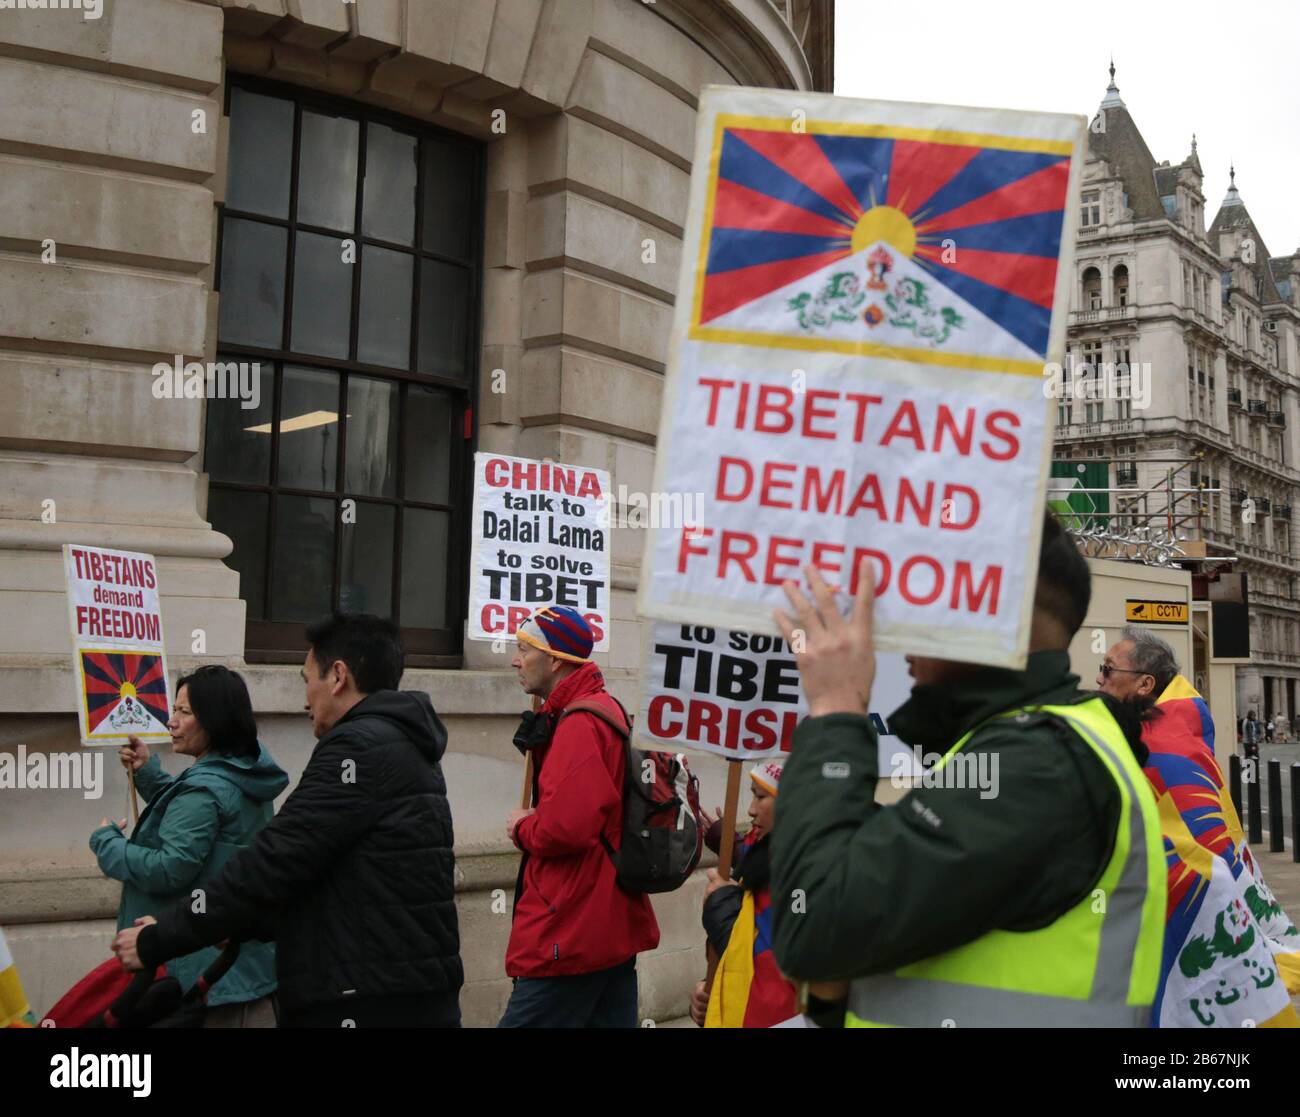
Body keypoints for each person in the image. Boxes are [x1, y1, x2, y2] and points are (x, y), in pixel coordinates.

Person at [770, 510, 1166, 1027]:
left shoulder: (1035, 766)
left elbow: (814, 925)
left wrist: (836, 711)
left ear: (995, 614)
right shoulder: (1025, 745)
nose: (901, 632)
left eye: (929, 595)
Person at [110, 613, 463, 1028]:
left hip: (363, 998)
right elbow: (328, 880)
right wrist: (241, 924)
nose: (305, 698)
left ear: (337, 676)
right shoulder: (400, 741)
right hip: (400, 991)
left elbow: (272, 862)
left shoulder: (358, 747)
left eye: (305, 679)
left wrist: (160, 938)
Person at [1099, 627, 1300, 1026]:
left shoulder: (1163, 750)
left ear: (1145, 684)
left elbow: (1209, 850)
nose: (1099, 678)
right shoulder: (1165, 736)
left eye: (1107, 669)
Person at [90, 666, 287, 1026]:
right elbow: (194, 819)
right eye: (174, 710)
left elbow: (169, 868)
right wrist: (147, 772)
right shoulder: (241, 771)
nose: (172, 722)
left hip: (202, 978)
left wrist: (109, 844)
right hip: (239, 970)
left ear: (214, 719)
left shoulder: (207, 787)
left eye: (184, 712)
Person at [499, 606, 659, 1028]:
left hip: (569, 929)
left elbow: (565, 829)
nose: (515, 659)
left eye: (523, 649)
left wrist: (523, 826)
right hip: (604, 925)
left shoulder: (579, 723)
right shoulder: (602, 709)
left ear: (554, 660)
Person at [690, 760, 797, 1028]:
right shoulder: (764, 853)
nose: (749, 810)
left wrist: (722, 908)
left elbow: (769, 968)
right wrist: (710, 991)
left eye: (761, 797)